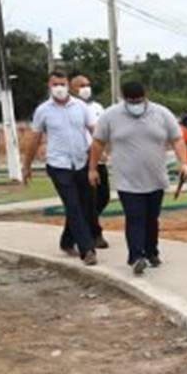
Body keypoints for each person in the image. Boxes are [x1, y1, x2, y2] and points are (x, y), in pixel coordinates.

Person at [89, 81, 187, 275]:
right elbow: (98, 143)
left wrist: (184, 163)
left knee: (151, 218)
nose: (135, 104)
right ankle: (136, 257)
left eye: (138, 101)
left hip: (155, 178)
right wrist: (92, 169)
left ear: (146, 96)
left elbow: (177, 139)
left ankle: (151, 251)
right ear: (123, 98)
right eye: (131, 101)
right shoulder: (110, 115)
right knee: (135, 216)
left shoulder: (162, 114)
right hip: (127, 179)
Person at [24, 70, 97, 266]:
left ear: (68, 85)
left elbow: (94, 131)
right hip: (58, 165)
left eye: (62, 84)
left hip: (81, 162)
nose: (59, 88)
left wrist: (98, 157)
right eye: (55, 84)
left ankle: (67, 241)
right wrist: (27, 165)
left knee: (83, 206)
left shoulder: (80, 107)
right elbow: (35, 139)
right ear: (49, 86)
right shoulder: (43, 110)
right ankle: (87, 250)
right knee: (72, 205)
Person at [70, 74, 110, 248]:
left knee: (103, 196)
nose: (86, 88)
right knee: (89, 198)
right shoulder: (70, 108)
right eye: (81, 85)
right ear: (72, 88)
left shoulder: (97, 107)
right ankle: (94, 233)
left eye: (88, 84)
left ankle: (78, 226)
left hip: (99, 158)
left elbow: (104, 131)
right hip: (83, 159)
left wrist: (105, 150)